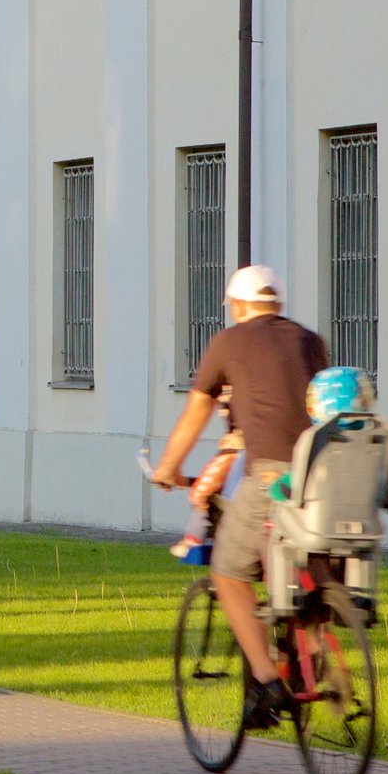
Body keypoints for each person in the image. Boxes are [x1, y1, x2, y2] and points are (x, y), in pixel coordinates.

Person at [151, 264, 327, 732]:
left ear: (239, 305)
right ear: (278, 303)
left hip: (270, 476)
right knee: (305, 575)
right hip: (324, 478)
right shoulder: (311, 341)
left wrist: (167, 468)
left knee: (228, 572)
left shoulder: (229, 343)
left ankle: (268, 681)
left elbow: (195, 413)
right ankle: (316, 658)